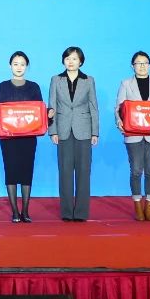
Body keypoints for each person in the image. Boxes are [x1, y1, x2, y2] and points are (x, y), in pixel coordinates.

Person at [0, 50, 43, 223]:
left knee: (27, 172)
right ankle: (14, 211)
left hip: (28, 137)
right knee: (11, 172)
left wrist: (49, 114)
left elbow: (39, 112)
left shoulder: (34, 87)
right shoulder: (2, 87)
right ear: (10, 66)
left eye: (22, 64)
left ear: (27, 67)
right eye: (15, 64)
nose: (19, 67)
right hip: (8, 138)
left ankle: (25, 211)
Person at [48, 46, 99, 222]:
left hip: (84, 130)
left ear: (81, 61)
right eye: (68, 58)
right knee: (65, 172)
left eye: (75, 59)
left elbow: (93, 106)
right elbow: (52, 106)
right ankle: (67, 212)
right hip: (62, 130)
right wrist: (52, 131)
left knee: (84, 172)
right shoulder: (56, 79)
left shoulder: (88, 80)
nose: (71, 62)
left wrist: (95, 132)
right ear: (63, 60)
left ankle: (81, 213)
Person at [115, 50, 150, 222]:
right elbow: (119, 108)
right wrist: (119, 121)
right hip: (133, 134)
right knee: (136, 170)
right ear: (133, 66)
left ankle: (149, 205)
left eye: (145, 63)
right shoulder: (125, 84)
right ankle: (137, 204)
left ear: (149, 66)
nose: (142, 66)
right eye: (138, 63)